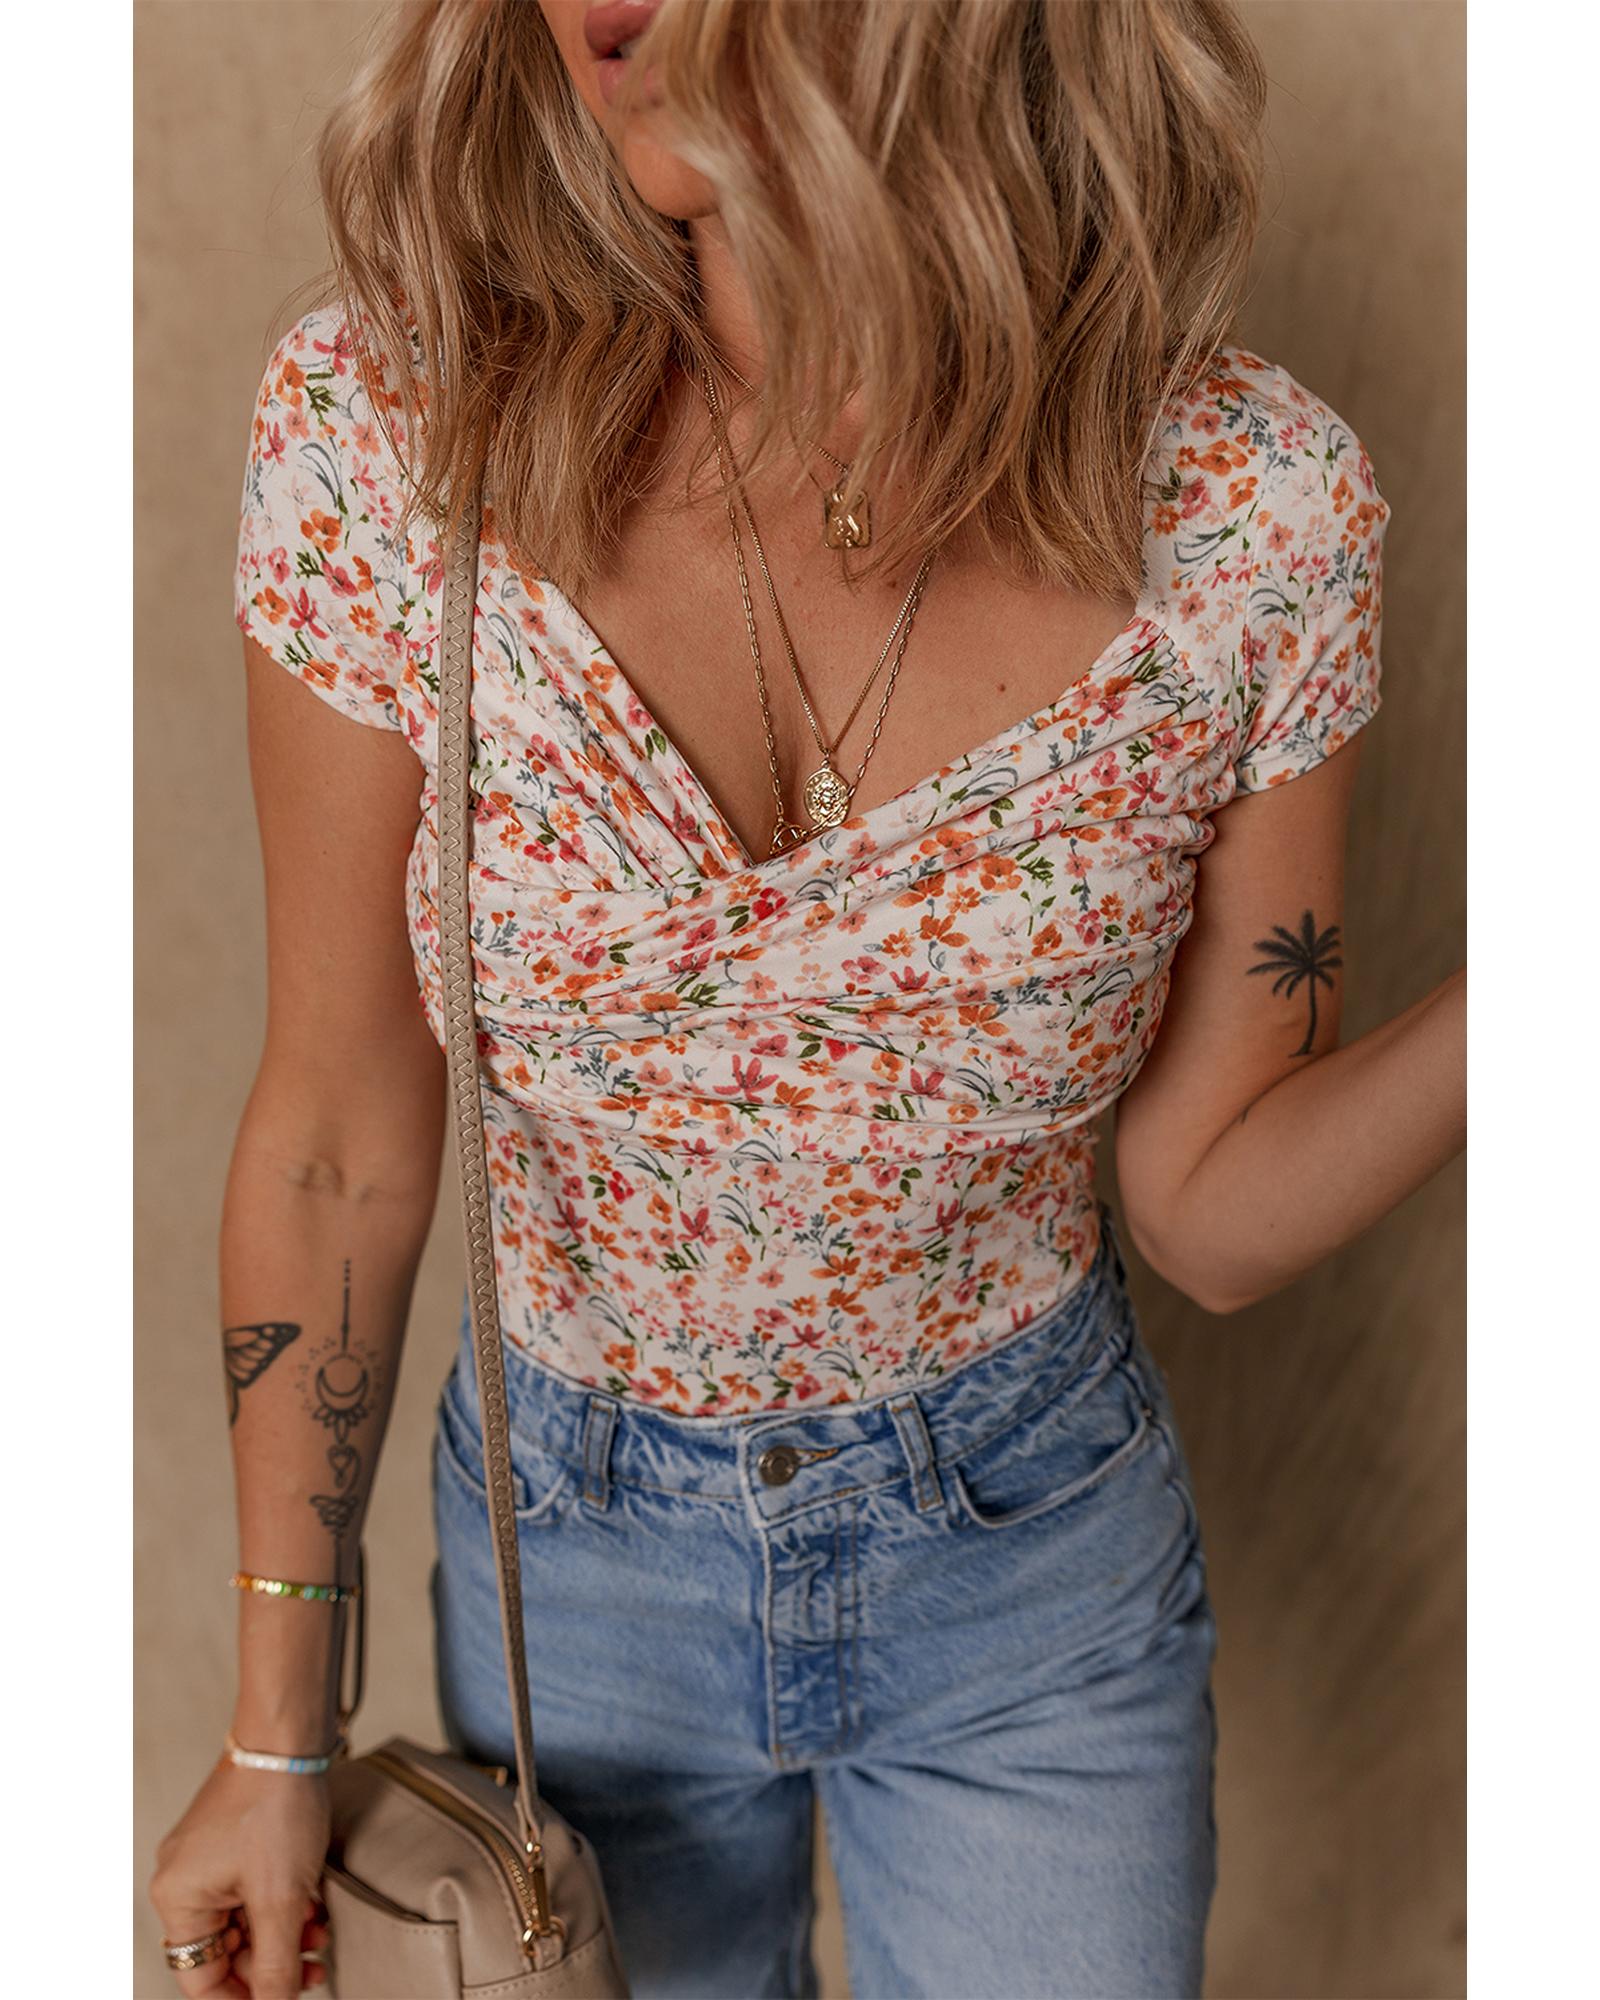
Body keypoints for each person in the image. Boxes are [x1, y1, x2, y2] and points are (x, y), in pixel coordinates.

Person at [148, 2, 1467, 1995]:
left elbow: (1207, 1205)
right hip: (573, 1574)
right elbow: (336, 1135)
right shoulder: (393, 431)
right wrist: (275, 1736)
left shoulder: (1253, 513)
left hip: (1032, 1564)